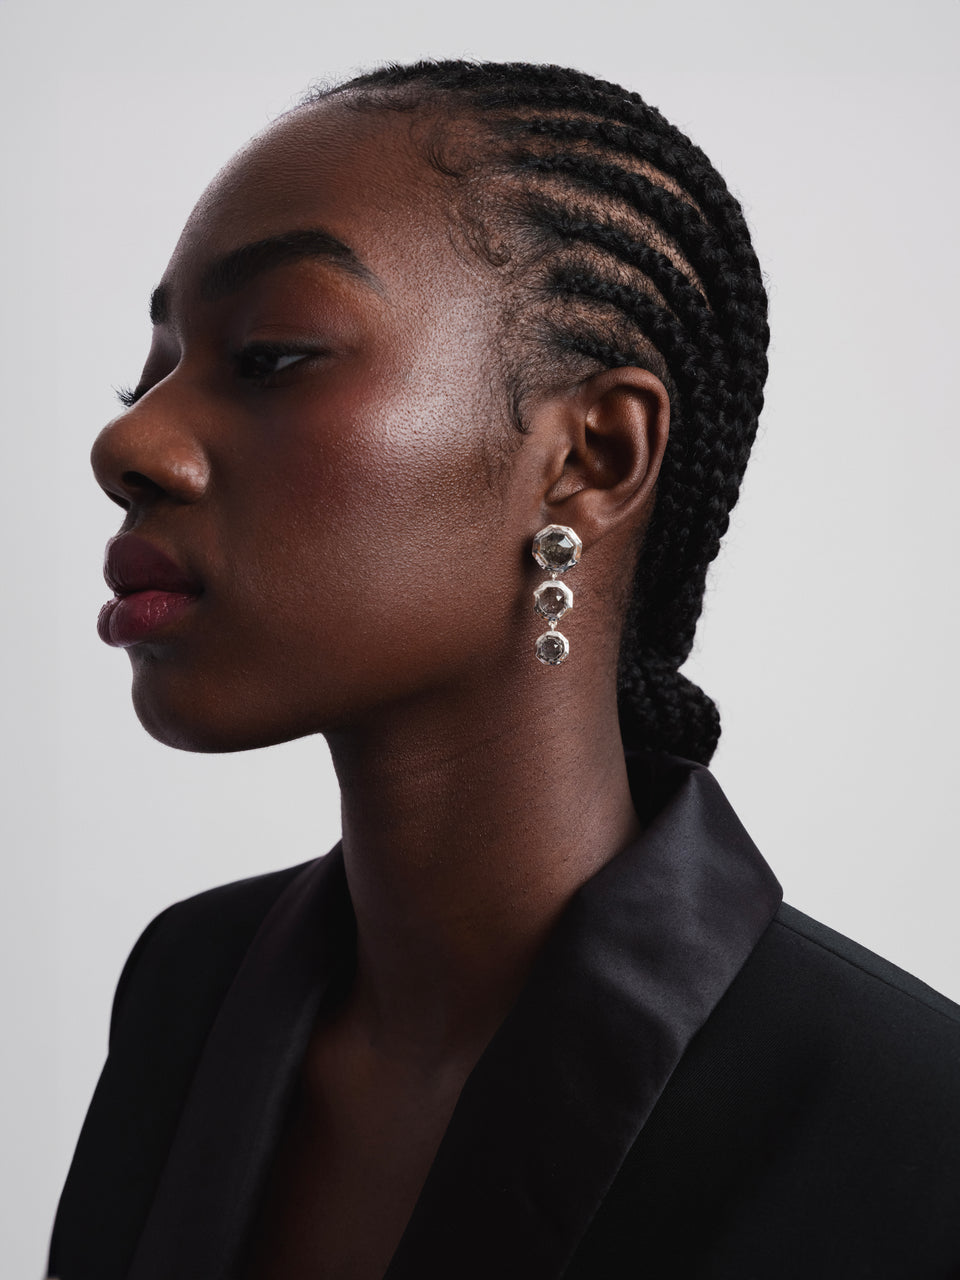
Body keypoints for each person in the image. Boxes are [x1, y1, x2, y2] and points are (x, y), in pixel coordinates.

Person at [48, 60, 960, 1280]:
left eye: (268, 353)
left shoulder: (908, 1123)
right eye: (152, 370)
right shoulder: (186, 992)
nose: (130, 440)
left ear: (592, 452)